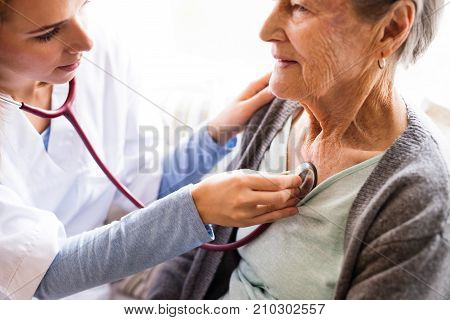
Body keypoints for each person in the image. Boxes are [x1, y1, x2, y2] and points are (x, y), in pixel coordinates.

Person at [143, 0, 450, 300]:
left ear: (390, 29)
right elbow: (198, 247)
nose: (265, 31)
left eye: (301, 7)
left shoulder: (417, 199)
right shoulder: (276, 107)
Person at [0, 0, 303, 300]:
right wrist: (195, 210)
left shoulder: (99, 53)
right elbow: (45, 274)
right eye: (48, 33)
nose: (86, 41)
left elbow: (144, 189)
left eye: (82, 6)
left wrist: (215, 135)